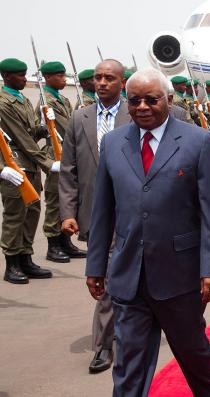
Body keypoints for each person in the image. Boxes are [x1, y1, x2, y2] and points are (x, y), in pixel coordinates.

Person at [85, 68, 210, 396]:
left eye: (152, 99)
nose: (143, 107)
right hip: (128, 279)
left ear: (169, 99)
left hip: (181, 279)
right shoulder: (113, 142)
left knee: (194, 357)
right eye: (134, 100)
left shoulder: (199, 141)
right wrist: (95, 266)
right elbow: (103, 211)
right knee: (128, 366)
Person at [59, 59, 132, 373]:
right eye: (98, 78)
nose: (101, 83)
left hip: (130, 210)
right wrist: (67, 212)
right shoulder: (79, 118)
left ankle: (106, 345)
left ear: (122, 83)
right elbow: (68, 169)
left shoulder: (137, 114)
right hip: (94, 211)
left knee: (115, 276)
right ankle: (113, 339)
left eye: (108, 78)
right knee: (103, 275)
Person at [0, 58, 59, 284]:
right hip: (14, 164)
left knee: (32, 211)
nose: (26, 79)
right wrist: (47, 162)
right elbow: (22, 139)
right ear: (7, 77)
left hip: (29, 164)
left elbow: (30, 132)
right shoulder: (4, 103)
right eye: (21, 75)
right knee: (15, 215)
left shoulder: (22, 99)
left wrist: (43, 127)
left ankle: (26, 258)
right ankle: (12, 263)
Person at [36, 61, 86, 263]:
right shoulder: (45, 99)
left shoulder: (63, 99)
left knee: (68, 199)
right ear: (47, 78)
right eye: (59, 75)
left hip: (68, 151)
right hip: (54, 151)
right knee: (55, 200)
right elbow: (54, 126)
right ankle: (53, 246)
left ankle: (65, 242)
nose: (64, 79)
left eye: (64, 75)